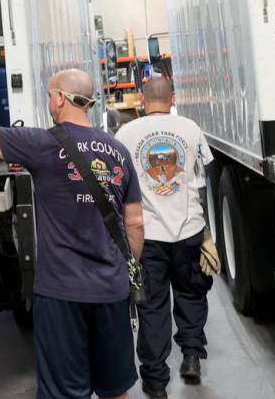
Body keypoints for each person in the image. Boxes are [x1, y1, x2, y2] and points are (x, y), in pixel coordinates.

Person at [0, 67, 144, 399]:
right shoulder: (118, 151)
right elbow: (135, 223)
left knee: (63, 393)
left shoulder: (42, 144)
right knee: (115, 391)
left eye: (50, 94)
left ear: (60, 99)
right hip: (111, 290)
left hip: (61, 295)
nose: (48, 100)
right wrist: (123, 272)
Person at [115, 75, 214, 399]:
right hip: (188, 231)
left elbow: (119, 189)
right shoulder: (191, 129)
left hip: (148, 236)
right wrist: (207, 233)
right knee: (191, 293)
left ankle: (156, 384)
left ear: (143, 101)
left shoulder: (125, 134)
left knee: (152, 307)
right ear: (172, 98)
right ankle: (191, 357)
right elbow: (201, 185)